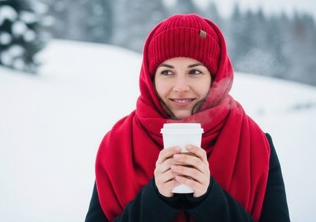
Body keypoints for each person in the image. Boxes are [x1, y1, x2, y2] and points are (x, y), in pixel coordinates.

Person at [85, 14, 290, 221]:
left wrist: (210, 200)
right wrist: (155, 200)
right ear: (150, 77)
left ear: (215, 76)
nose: (180, 87)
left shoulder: (254, 144)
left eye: (194, 72)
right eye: (166, 72)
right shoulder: (118, 145)